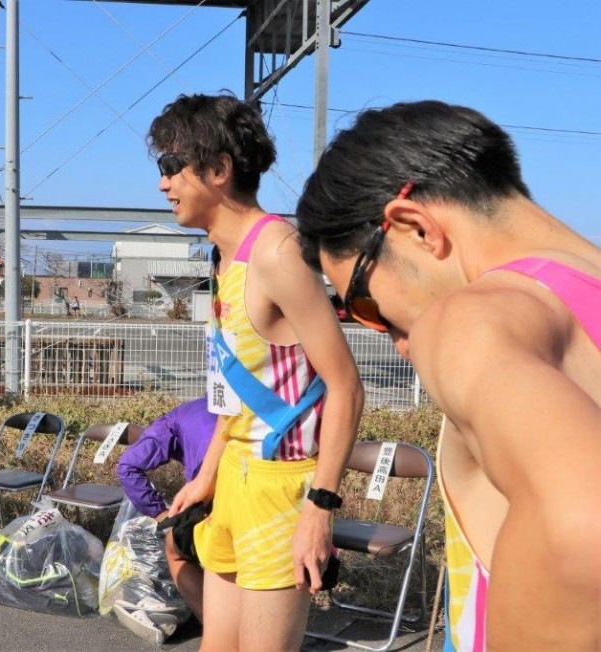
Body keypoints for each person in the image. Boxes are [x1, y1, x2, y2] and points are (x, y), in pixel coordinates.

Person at [295, 100, 601, 651]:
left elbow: (585, 523)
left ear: (414, 227)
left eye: (367, 307)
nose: (399, 343)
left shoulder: (472, 319)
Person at [149, 93, 363, 651]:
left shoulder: (277, 253)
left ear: (219, 170)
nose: (163, 184)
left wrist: (320, 508)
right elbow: (240, 390)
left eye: (171, 167)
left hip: (284, 486)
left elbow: (345, 386)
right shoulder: (225, 258)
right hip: (237, 476)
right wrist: (206, 476)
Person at [117, 396, 216, 621]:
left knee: (176, 549)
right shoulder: (230, 404)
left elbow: (127, 467)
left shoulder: (171, 422)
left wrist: (161, 515)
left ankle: (216, 627)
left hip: (217, 494)